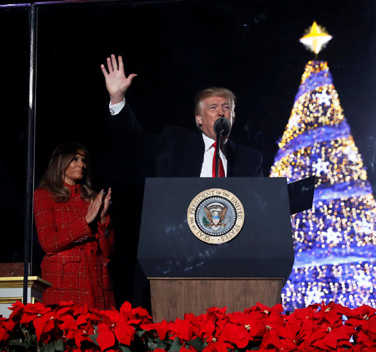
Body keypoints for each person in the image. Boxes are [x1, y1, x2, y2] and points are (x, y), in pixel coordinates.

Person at [100, 54, 264, 177]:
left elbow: (261, 203)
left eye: (226, 107)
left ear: (233, 116)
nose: (221, 112)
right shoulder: (174, 142)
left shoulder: (250, 159)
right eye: (213, 107)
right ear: (199, 118)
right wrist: (117, 97)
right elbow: (133, 141)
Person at [34, 142, 116, 310]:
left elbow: (107, 251)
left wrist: (101, 220)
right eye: (75, 159)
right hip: (66, 285)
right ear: (61, 162)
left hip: (97, 282)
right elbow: (48, 243)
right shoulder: (44, 194)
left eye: (84, 160)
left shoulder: (91, 197)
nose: (82, 165)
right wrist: (85, 222)